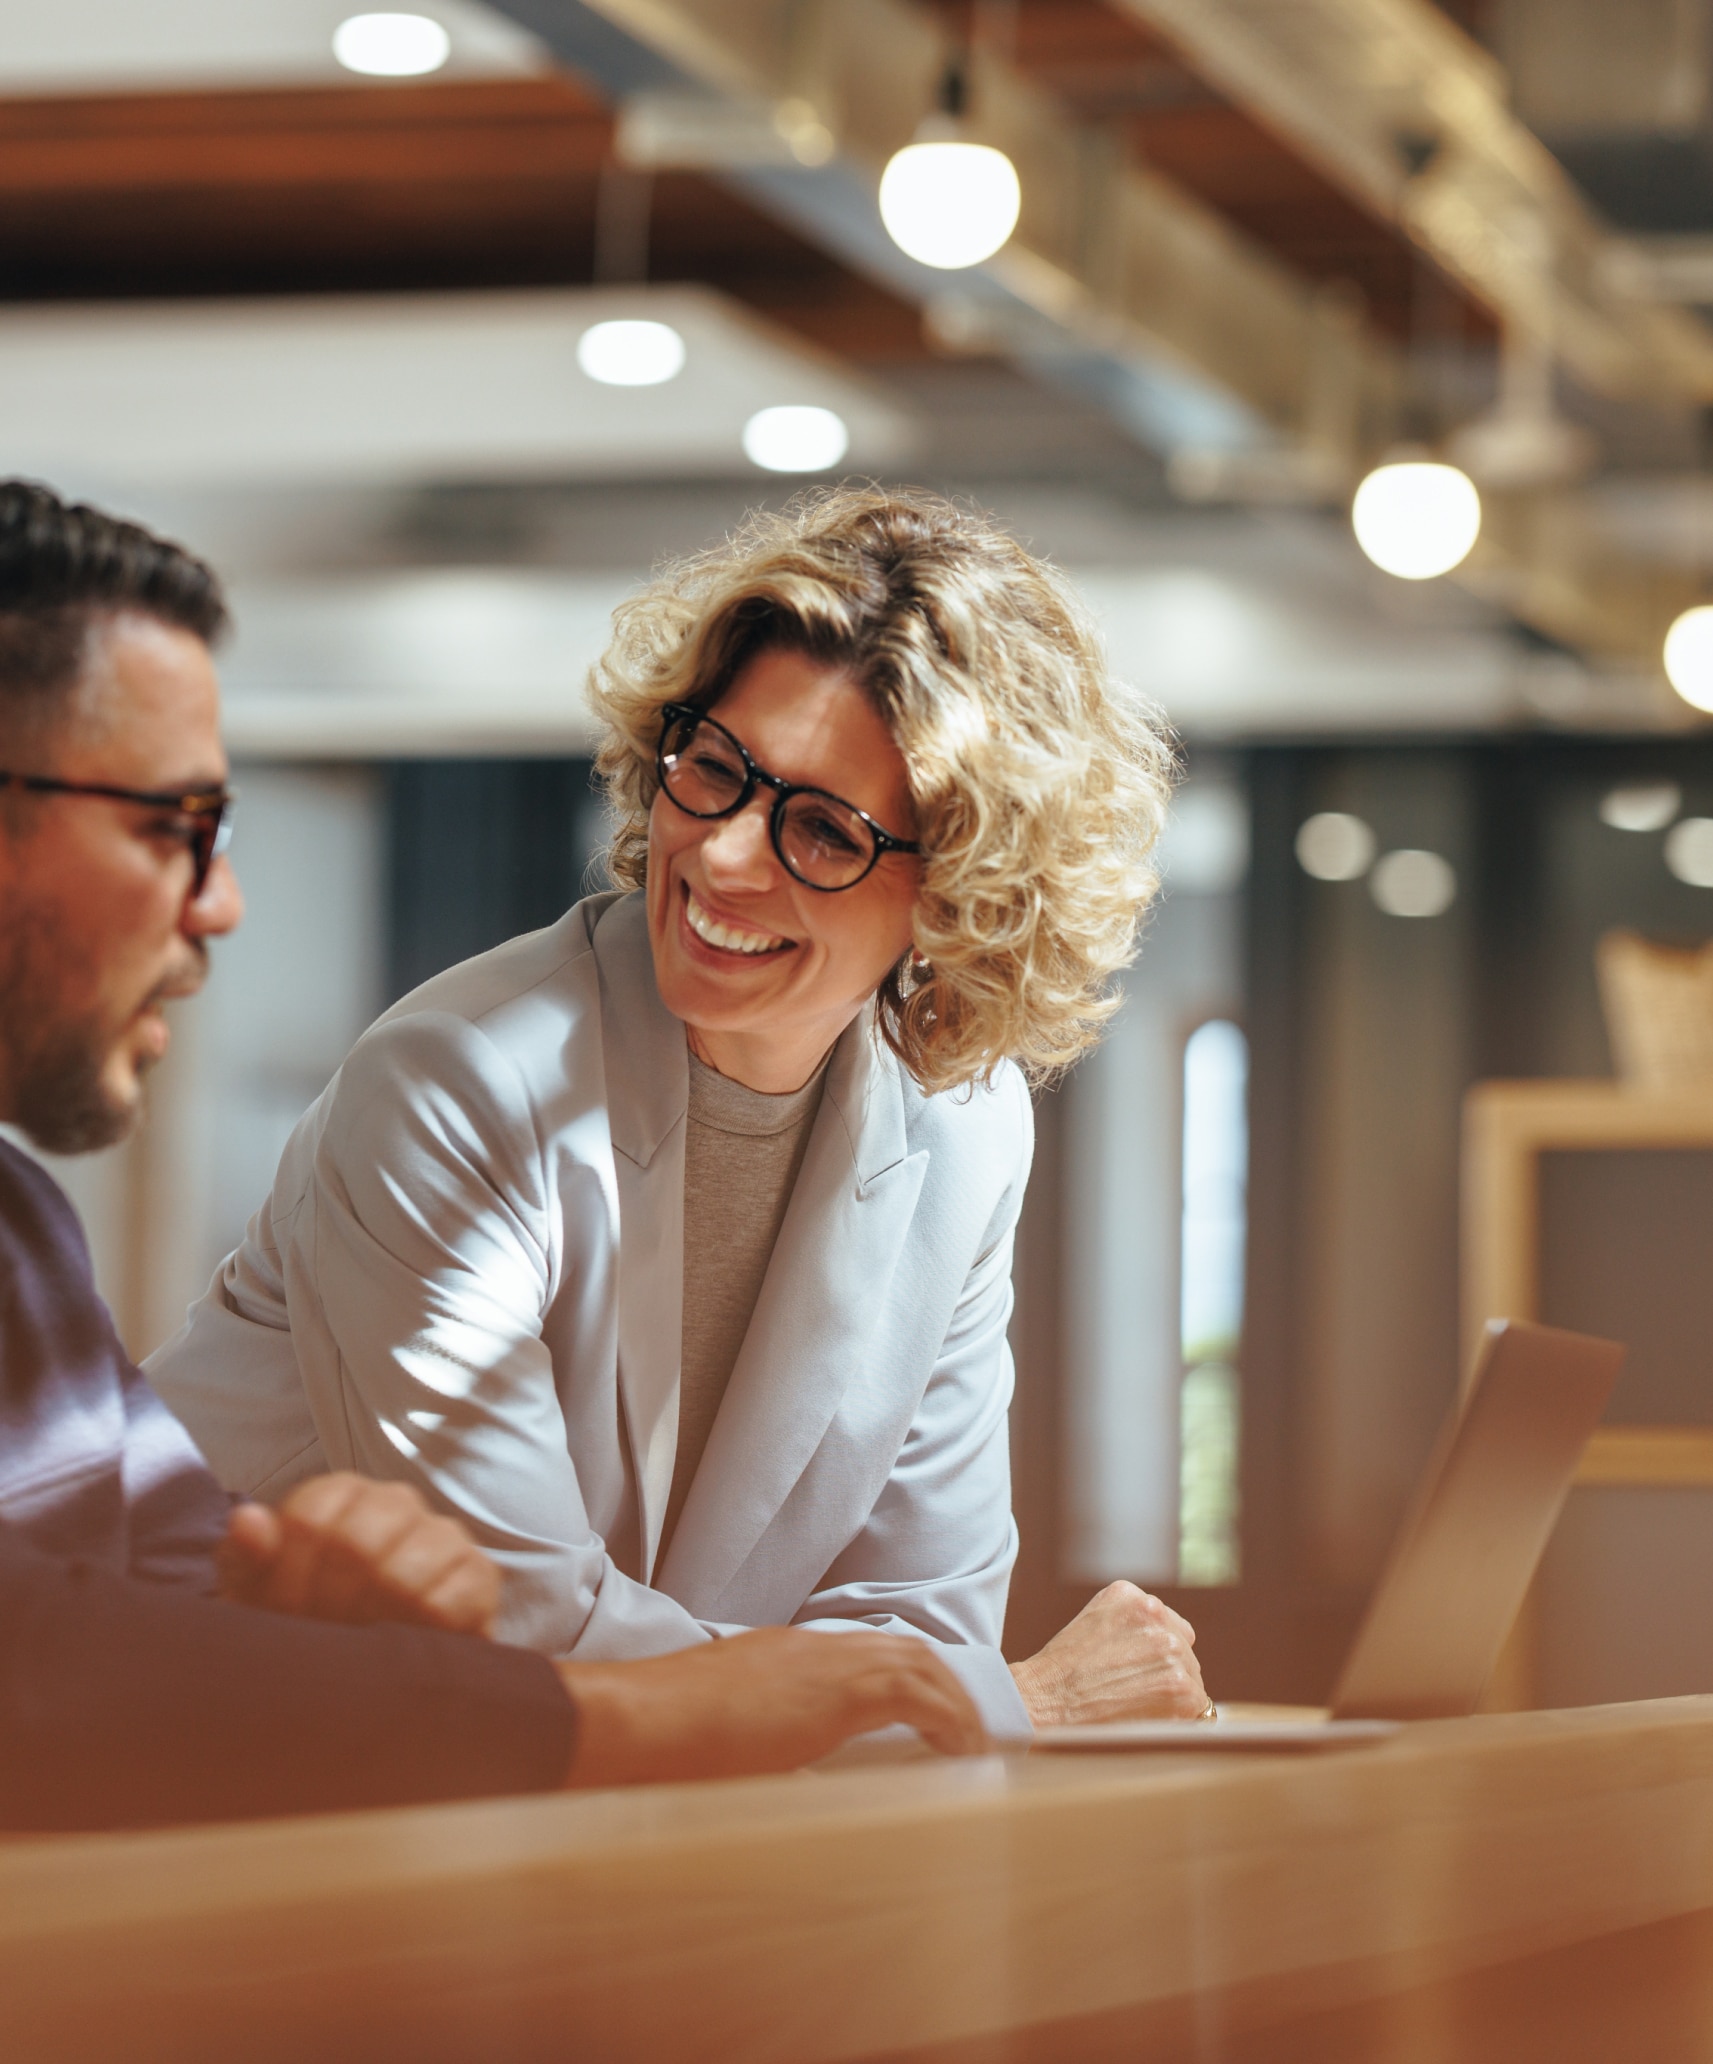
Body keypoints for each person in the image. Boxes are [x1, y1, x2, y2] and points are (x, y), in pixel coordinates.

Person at [0, 478, 985, 1831]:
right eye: (172, 826)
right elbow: (59, 1671)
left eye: (822, 828)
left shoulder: (21, 1235)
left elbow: (141, 1594)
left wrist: (289, 1611)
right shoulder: (458, 1070)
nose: (223, 902)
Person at [154, 486, 1210, 1733]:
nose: (719, 854)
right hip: (194, 1762)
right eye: (714, 768)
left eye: (821, 829)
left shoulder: (964, 1126)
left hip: (569, 1807)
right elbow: (529, 1629)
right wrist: (1007, 1701)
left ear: (962, 896)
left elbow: (920, 1608)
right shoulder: (458, 1079)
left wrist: (933, 1692)